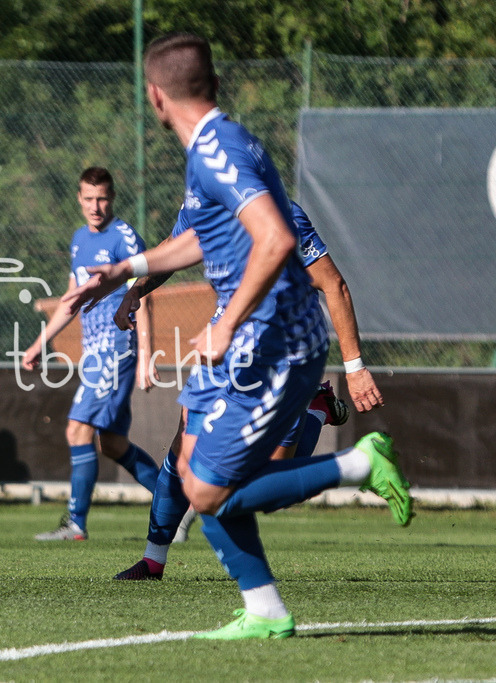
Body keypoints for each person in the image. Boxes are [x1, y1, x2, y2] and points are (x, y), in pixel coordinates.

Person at [64, 33, 411, 639]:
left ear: (154, 96)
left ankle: (358, 462)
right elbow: (198, 240)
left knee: (214, 487)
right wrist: (127, 273)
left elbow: (276, 238)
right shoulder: (219, 146)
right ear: (215, 85)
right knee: (192, 469)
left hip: (275, 342)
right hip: (251, 341)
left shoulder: (217, 150)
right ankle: (261, 608)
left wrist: (225, 323)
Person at [112, 200, 384, 563]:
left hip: (280, 354)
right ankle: (152, 559)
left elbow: (333, 284)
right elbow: (172, 249)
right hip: (223, 342)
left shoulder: (280, 213)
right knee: (183, 447)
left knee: (269, 481)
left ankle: (320, 414)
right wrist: (135, 289)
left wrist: (355, 367)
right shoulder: (200, 198)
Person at [22, 167, 160, 541]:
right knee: (112, 444)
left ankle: (75, 524)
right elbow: (72, 300)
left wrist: (146, 354)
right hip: (94, 351)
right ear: (79, 199)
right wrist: (39, 342)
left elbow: (144, 295)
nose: (95, 206)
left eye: (102, 199)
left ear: (112, 198)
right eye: (88, 199)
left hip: (116, 348)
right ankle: (178, 503)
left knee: (77, 429)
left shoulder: (124, 237)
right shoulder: (80, 239)